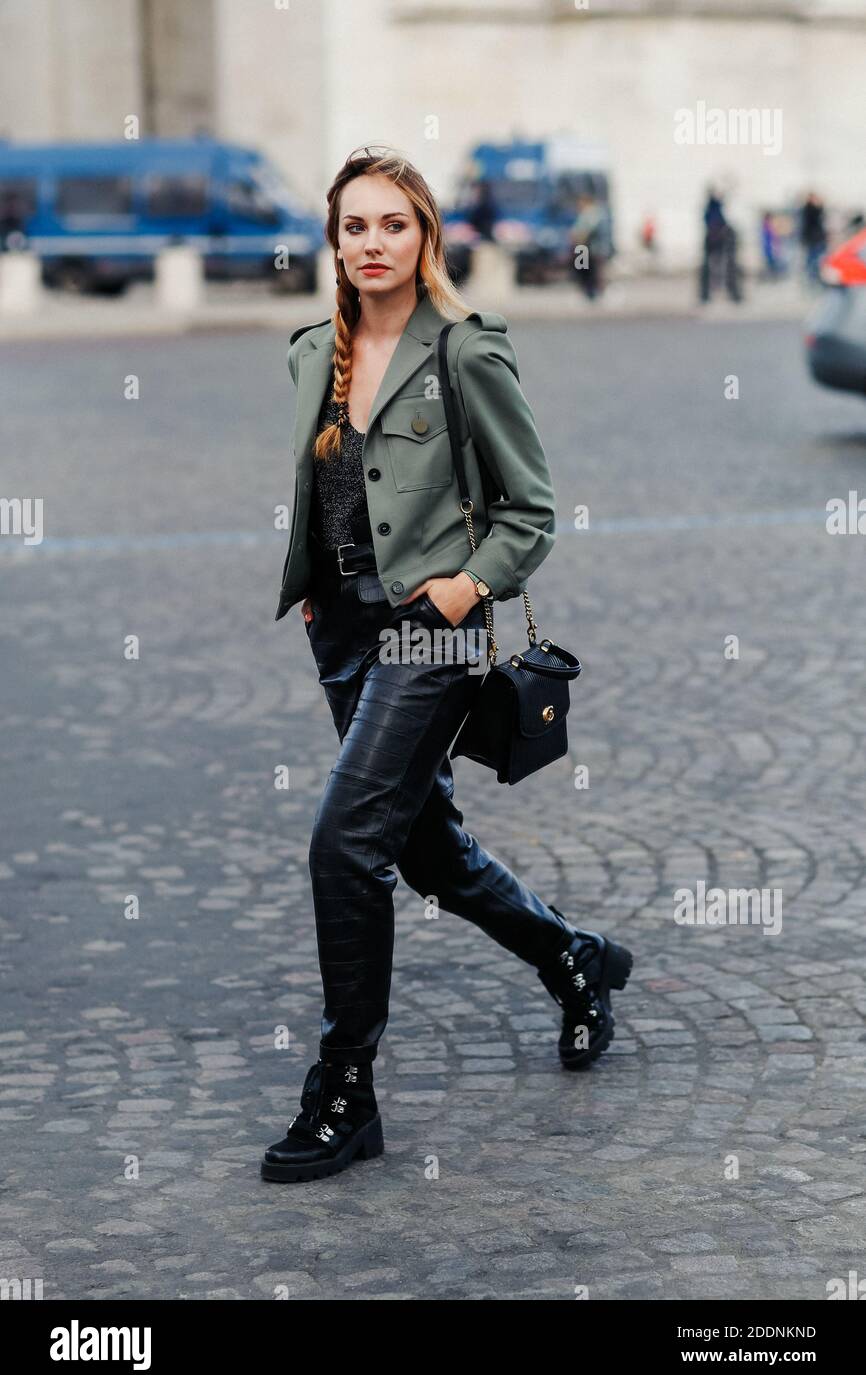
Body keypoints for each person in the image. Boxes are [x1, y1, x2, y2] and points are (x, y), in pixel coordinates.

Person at [263, 145, 633, 1183]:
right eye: (353, 226)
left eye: (392, 223)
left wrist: (465, 590)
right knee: (425, 850)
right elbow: (324, 493)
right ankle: (573, 957)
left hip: (431, 631)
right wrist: (309, 586)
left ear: (424, 234)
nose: (371, 243)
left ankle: (344, 1089)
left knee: (344, 845)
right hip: (341, 630)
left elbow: (530, 511)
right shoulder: (308, 352)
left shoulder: (465, 352)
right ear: (332, 240)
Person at [799, 192, 827, 283]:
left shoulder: (807, 210)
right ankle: (812, 276)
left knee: (813, 258)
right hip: (814, 239)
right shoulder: (810, 209)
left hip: (813, 238)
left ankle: (811, 275)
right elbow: (818, 217)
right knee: (813, 258)